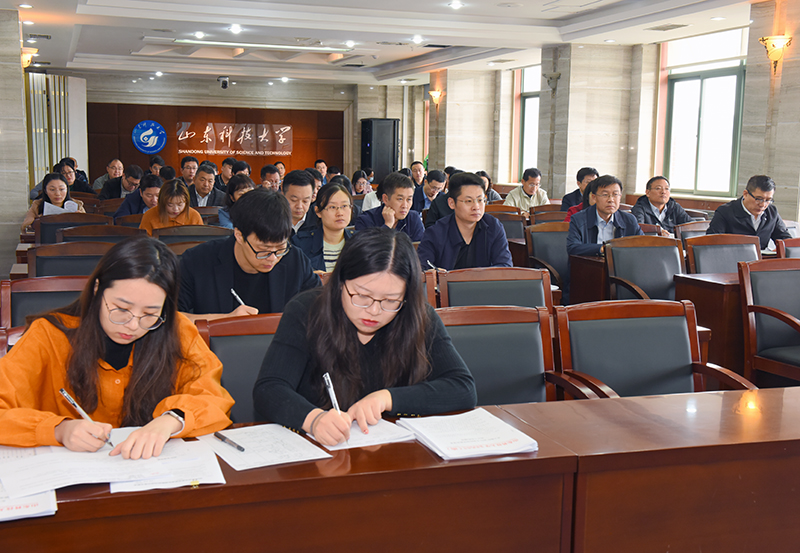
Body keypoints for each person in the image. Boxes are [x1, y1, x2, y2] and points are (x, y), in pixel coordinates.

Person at [0, 236, 233, 456]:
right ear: (97, 288)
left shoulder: (178, 331)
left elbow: (214, 397)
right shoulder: (48, 336)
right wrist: (57, 429)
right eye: (121, 309)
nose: (132, 325)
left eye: (150, 314)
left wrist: (172, 420)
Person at [253, 227, 477, 446]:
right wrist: (313, 419)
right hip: (322, 453)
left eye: (391, 300)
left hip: (395, 453)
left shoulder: (418, 316)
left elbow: (463, 388)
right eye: (361, 295)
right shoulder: (306, 310)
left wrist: (387, 398)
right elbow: (269, 388)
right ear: (341, 282)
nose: (374, 311)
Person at [178, 188, 320, 321]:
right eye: (263, 250)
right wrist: (224, 321)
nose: (273, 258)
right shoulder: (197, 261)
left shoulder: (295, 261)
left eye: (280, 248)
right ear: (239, 235)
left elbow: (320, 309)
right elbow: (171, 318)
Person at [418, 172, 512, 270]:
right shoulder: (436, 232)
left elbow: (505, 266)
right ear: (451, 203)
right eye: (468, 201)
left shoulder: (494, 227)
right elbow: (422, 267)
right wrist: (433, 273)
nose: (476, 207)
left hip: (486, 280)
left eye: (480, 200)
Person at [707, 175, 791, 250]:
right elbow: (712, 243)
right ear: (745, 194)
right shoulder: (725, 212)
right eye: (758, 199)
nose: (763, 204)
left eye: (768, 200)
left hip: (761, 260)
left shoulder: (772, 212)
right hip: (732, 259)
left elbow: (786, 240)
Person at [567, 175, 643, 257]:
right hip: (590, 264)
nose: (611, 200)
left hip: (622, 264)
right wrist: (603, 249)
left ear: (620, 197)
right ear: (594, 197)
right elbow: (573, 247)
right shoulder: (579, 219)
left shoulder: (629, 220)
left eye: (615, 194)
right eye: (605, 195)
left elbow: (642, 244)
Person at [291, 182, 355, 272]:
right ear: (318, 211)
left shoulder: (361, 241)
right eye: (332, 207)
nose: (340, 213)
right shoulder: (300, 244)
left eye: (344, 206)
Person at [355, 172, 424, 241]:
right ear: (385, 199)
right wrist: (387, 225)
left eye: (409, 199)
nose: (405, 206)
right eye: (400, 199)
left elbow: (421, 246)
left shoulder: (413, 218)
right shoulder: (365, 220)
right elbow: (367, 247)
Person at [22, 173, 86, 230]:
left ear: (67, 189)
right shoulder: (37, 205)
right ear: (45, 191)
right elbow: (25, 226)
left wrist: (80, 219)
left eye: (62, 189)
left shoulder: (77, 205)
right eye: (52, 189)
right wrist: (36, 222)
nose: (57, 193)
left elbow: (87, 228)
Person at [139, 179, 203, 236]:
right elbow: (143, 242)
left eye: (180, 205)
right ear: (162, 202)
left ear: (186, 201)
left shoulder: (194, 216)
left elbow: (201, 241)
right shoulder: (149, 215)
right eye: (170, 205)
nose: (175, 209)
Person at [283, 169, 320, 234]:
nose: (299, 206)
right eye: (294, 200)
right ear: (283, 194)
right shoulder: (271, 220)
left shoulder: (319, 223)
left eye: (305, 201)